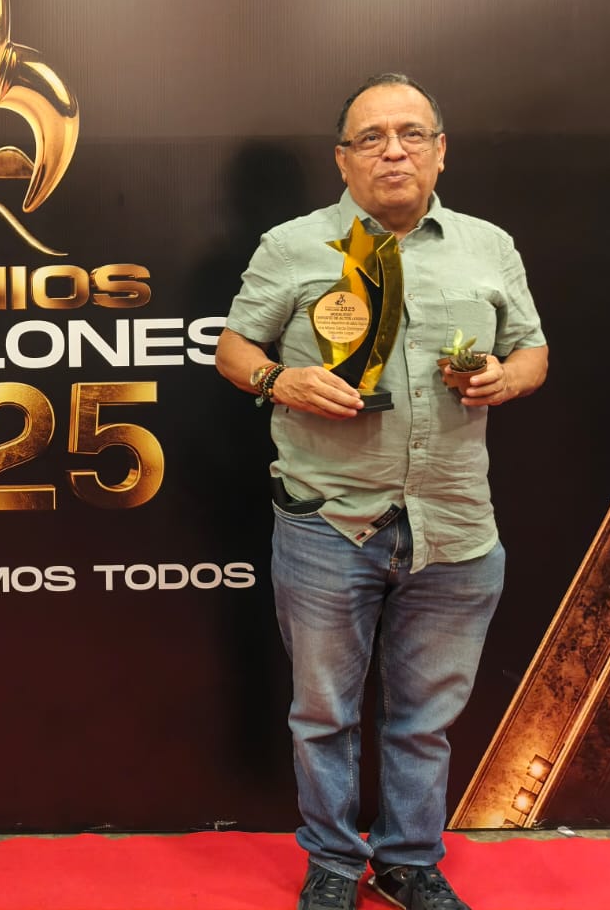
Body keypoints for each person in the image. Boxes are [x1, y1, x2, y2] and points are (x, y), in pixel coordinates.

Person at [215, 74, 548, 910]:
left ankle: (407, 861)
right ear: (343, 158)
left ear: (441, 151)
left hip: (455, 524)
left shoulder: (488, 246)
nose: (392, 151)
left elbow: (533, 350)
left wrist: (505, 377)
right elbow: (233, 349)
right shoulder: (294, 246)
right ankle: (332, 862)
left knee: (425, 718)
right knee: (322, 714)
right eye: (371, 137)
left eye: (411, 134)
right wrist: (279, 380)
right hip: (328, 520)